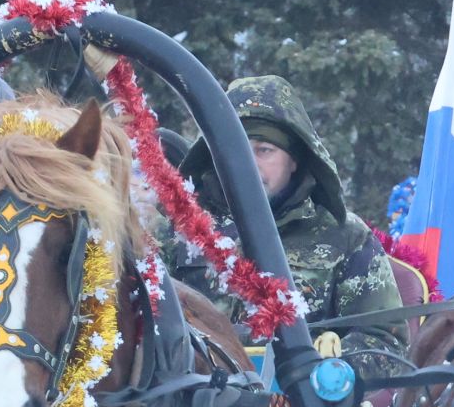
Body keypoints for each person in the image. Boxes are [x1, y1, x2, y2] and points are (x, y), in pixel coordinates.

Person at [170, 75, 405, 347]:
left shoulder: (346, 236)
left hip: (298, 387)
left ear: (294, 160)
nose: (249, 163)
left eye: (264, 150)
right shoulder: (175, 227)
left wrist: (332, 364)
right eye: (238, 149)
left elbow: (386, 339)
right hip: (195, 385)